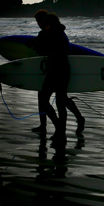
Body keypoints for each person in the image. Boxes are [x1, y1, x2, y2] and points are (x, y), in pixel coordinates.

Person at [29, 11, 83, 140]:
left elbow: (61, 50)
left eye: (45, 24)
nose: (42, 25)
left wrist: (41, 45)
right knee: (45, 98)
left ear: (50, 24)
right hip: (54, 69)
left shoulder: (57, 34)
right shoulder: (50, 33)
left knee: (60, 101)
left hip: (61, 70)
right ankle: (58, 127)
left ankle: (61, 130)